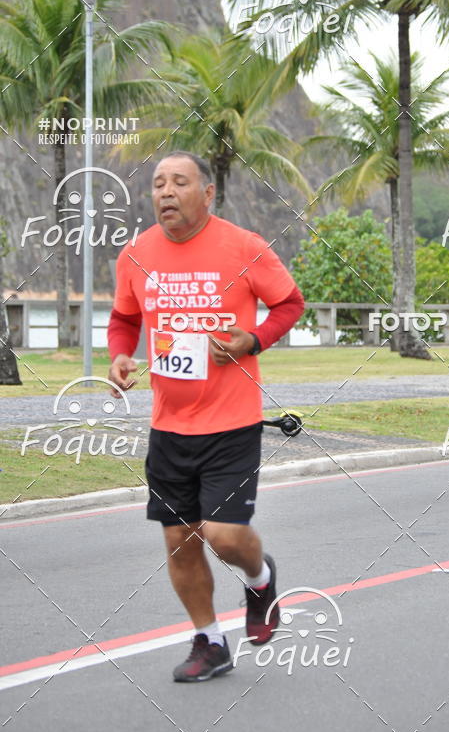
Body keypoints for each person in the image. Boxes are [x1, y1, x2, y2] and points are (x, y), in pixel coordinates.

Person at [107, 151, 304, 682]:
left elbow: (289, 304)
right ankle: (210, 642)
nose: (165, 192)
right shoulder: (137, 254)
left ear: (208, 193)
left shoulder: (243, 246)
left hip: (232, 423)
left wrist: (253, 339)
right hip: (169, 428)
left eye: (179, 182)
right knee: (179, 541)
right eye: (158, 184)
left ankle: (261, 580)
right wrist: (120, 356)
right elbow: (124, 318)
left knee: (222, 534)